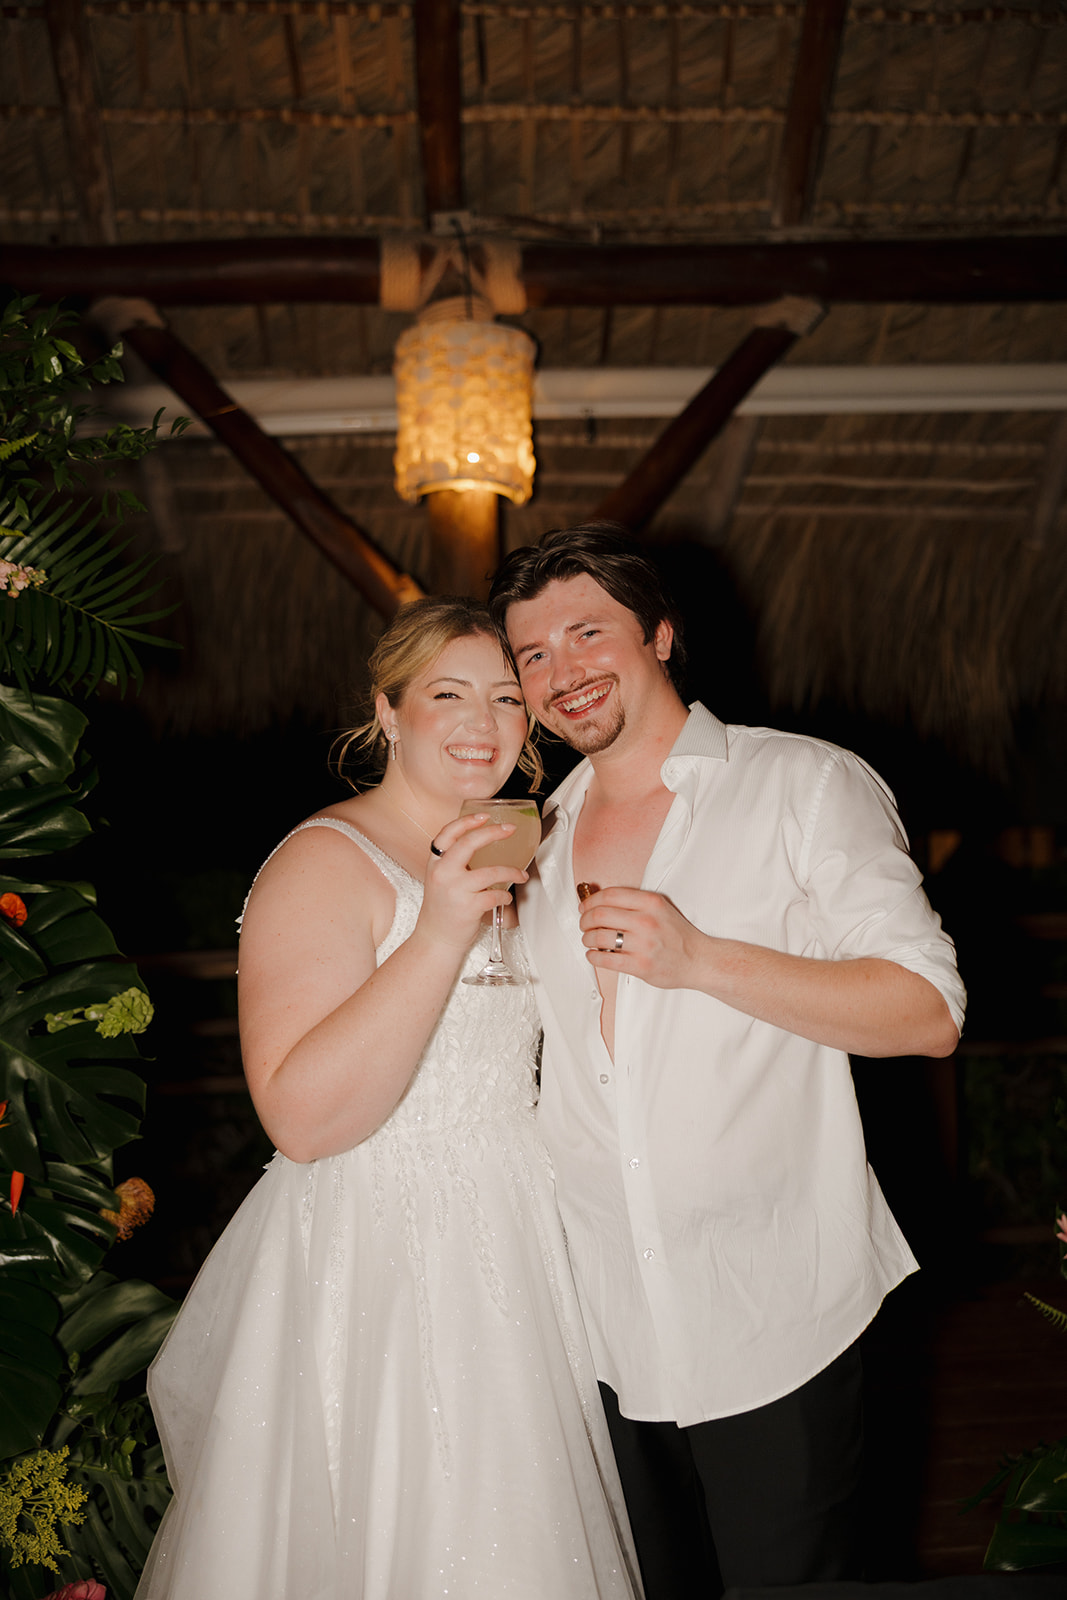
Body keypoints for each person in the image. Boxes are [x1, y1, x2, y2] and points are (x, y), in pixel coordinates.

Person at [488, 526, 967, 1600]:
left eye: (585, 632)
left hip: (772, 1311)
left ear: (659, 633)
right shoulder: (534, 838)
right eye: (530, 654)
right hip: (600, 1325)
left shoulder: (801, 783)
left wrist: (702, 959)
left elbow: (926, 1010)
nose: (560, 671)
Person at [134, 597, 642, 1600]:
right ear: (387, 711)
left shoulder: (513, 852)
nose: (482, 721)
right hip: (375, 1263)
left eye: (505, 697)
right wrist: (440, 930)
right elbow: (299, 1117)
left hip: (517, 1250)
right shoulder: (325, 859)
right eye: (447, 693)